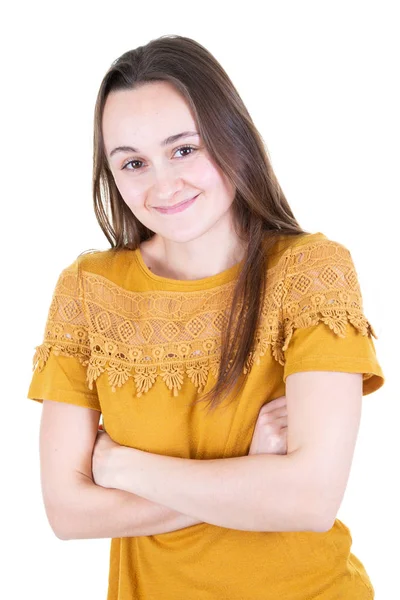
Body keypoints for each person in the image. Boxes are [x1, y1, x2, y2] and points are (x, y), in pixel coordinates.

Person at [27, 34, 385, 600]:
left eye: (185, 149)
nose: (163, 184)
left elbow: (309, 501)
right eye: (133, 163)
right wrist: (249, 473)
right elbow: (68, 513)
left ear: (231, 136)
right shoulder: (87, 291)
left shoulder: (311, 272)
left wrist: (123, 467)